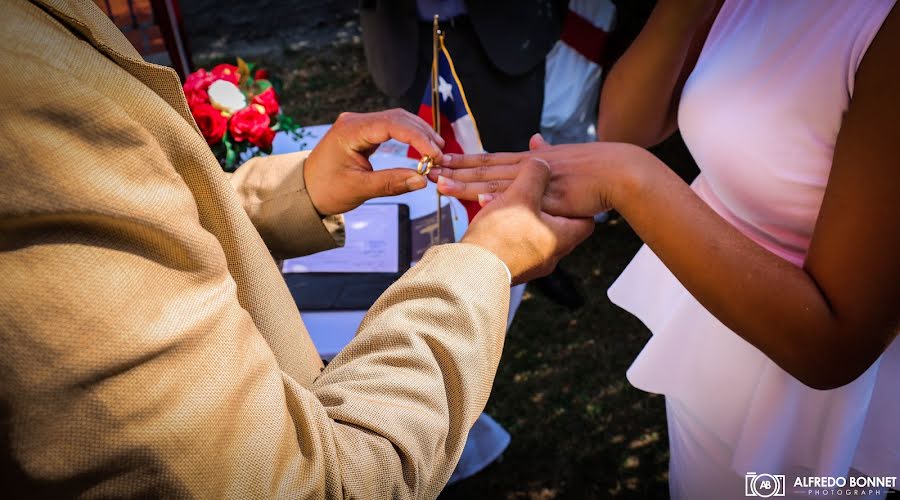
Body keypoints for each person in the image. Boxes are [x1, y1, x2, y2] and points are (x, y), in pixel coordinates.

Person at [0, 0, 594, 496]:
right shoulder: (23, 90)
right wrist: (480, 262)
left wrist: (297, 192)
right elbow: (303, 482)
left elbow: (131, 215)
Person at [429, 0, 900, 498]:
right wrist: (679, 12)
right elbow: (626, 126)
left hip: (808, 403)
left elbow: (835, 346)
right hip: (716, 334)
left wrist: (628, 181)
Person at [360, 0, 586, 309]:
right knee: (425, 167)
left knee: (518, 158)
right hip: (405, 38)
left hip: (505, 32)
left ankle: (539, 259)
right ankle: (439, 273)